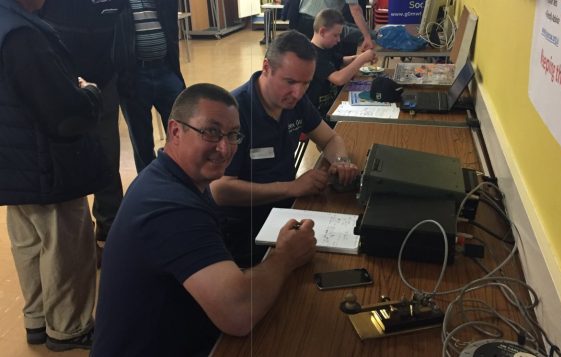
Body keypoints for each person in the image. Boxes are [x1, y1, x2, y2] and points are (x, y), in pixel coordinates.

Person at [92, 83, 317, 356]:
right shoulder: (169, 207)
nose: (224, 148)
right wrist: (286, 256)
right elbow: (238, 312)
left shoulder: (175, 180)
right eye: (211, 132)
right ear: (175, 131)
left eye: (233, 135)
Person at [0, 0, 111, 351]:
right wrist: (89, 93)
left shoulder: (7, 25)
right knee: (66, 251)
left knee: (30, 246)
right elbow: (63, 114)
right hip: (45, 164)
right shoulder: (23, 36)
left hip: (13, 164)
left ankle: (37, 320)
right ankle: (70, 328)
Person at [210, 30, 360, 268]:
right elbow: (220, 189)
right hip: (244, 228)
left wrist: (340, 161)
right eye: (290, 82)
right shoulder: (234, 112)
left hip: (286, 212)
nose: (298, 93)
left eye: (306, 83)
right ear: (267, 67)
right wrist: (291, 187)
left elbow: (330, 139)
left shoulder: (295, 101)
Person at [39, 0, 126, 261]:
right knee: (68, 165)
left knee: (108, 161)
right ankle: (83, 244)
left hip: (104, 85)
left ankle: (111, 233)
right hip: (62, 88)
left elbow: (121, 32)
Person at [114, 0, 186, 173]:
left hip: (166, 70)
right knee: (142, 141)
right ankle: (150, 184)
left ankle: (181, 177)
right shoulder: (118, 4)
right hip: (134, 76)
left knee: (182, 129)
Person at [307, 8, 377, 122]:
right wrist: (362, 59)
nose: (338, 40)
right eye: (335, 35)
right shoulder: (312, 55)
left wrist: (359, 57)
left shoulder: (326, 48)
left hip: (333, 105)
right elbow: (338, 79)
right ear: (322, 32)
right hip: (319, 114)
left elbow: (342, 60)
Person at [295, 0, 375, 55]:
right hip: (320, 20)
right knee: (323, 59)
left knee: (308, 57)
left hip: (302, 18)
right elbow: (355, 9)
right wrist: (367, 37)